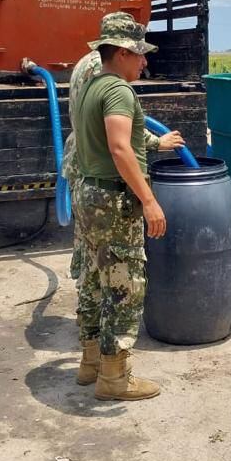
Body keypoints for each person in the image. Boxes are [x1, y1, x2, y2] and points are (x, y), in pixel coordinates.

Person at [64, 47, 183, 390]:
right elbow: (119, 148)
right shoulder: (118, 90)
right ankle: (115, 378)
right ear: (120, 53)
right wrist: (149, 201)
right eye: (140, 54)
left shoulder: (91, 86)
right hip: (112, 202)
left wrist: (157, 143)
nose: (145, 62)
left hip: (88, 193)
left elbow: (113, 138)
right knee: (123, 285)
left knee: (92, 277)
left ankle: (90, 363)